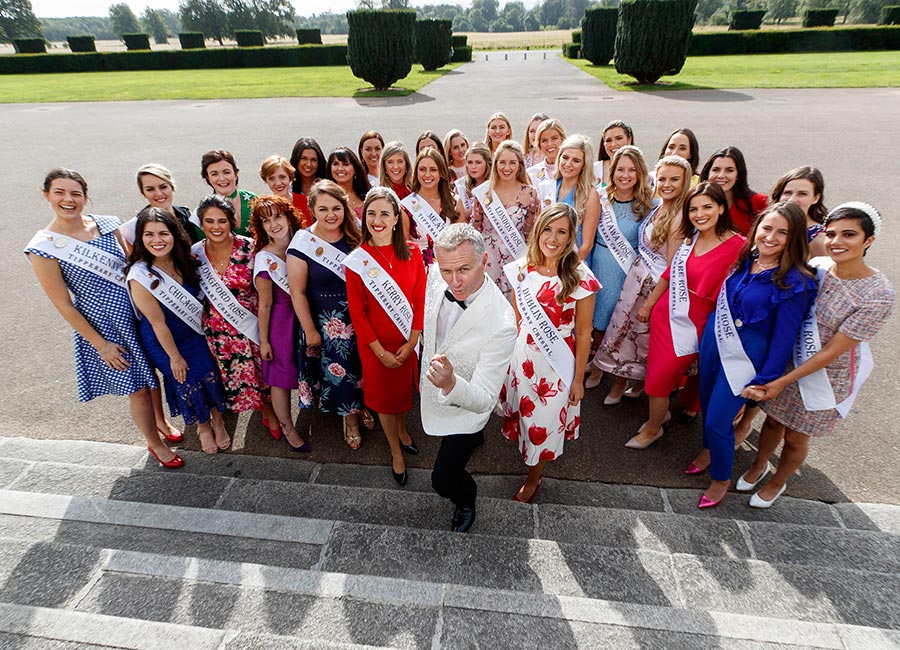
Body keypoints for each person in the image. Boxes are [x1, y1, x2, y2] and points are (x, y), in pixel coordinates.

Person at [25, 168, 183, 469]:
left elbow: (134, 264)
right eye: (59, 192)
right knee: (136, 388)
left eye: (75, 193)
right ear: (46, 195)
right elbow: (64, 305)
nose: (68, 199)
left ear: (85, 196)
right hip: (104, 326)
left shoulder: (108, 224)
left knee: (152, 377)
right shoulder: (43, 247)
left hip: (137, 311)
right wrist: (102, 345)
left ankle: (161, 421)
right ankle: (154, 443)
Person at [740, 203, 893, 508]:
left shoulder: (879, 294)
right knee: (771, 422)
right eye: (832, 233)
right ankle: (759, 465)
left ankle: (778, 482)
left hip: (825, 376)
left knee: (796, 436)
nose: (838, 241)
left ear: (869, 240)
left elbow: (834, 350)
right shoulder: (818, 266)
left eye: (849, 234)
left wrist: (783, 381)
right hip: (787, 362)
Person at [694, 203, 818, 508]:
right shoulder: (746, 260)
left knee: (718, 420)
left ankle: (721, 478)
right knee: (708, 406)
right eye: (767, 228)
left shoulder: (796, 282)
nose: (771, 237)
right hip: (715, 341)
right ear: (757, 229)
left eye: (782, 232)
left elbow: (784, 338)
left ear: (795, 238)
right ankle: (711, 450)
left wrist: (766, 379)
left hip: (748, 354)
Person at [629, 182, 745, 449]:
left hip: (697, 324)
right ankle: (657, 420)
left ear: (721, 207)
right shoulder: (689, 238)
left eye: (707, 207)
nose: (699, 214)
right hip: (664, 316)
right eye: (693, 209)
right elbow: (670, 275)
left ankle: (653, 427)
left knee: (659, 382)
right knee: (656, 378)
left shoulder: (739, 245)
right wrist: (648, 305)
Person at [499, 204, 601, 503]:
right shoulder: (520, 269)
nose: (552, 238)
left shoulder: (580, 276)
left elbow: (584, 333)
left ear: (570, 238)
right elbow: (518, 320)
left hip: (557, 364)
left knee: (542, 426)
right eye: (547, 229)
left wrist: (579, 379)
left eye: (562, 232)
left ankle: (534, 476)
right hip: (523, 358)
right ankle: (529, 459)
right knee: (523, 417)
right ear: (538, 230)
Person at [422, 223, 517, 532]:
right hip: (433, 388)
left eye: (464, 269)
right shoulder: (439, 276)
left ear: (485, 260)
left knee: (443, 478)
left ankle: (466, 498)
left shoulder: (502, 323)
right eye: (446, 270)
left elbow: (486, 399)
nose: (454, 281)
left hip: (467, 407)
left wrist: (450, 384)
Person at [589, 155, 693, 400]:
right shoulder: (659, 206)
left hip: (651, 285)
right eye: (663, 178)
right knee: (624, 333)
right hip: (636, 279)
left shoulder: (676, 216)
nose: (667, 184)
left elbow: (671, 268)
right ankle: (627, 382)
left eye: (674, 180)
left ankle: (626, 384)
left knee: (634, 337)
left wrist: (648, 303)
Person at [126, 208, 228, 455]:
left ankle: (218, 421)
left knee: (210, 374)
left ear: (174, 234)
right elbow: (158, 323)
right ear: (140, 239)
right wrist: (175, 357)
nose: (157, 240)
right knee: (188, 382)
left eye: (163, 233)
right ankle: (202, 427)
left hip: (195, 332)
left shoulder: (188, 261)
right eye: (149, 235)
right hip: (164, 341)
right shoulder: (140, 275)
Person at [345, 187, 426, 485]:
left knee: (403, 396)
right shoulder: (358, 261)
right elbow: (358, 313)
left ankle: (403, 431)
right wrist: (380, 352)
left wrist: (413, 339)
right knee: (384, 402)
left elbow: (419, 298)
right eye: (371, 214)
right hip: (375, 347)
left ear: (395, 218)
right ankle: (395, 451)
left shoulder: (414, 252)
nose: (377, 220)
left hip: (407, 341)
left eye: (384, 214)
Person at [287, 180, 372, 449]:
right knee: (342, 373)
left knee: (364, 368)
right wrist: (310, 329)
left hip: (360, 316)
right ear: (312, 208)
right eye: (323, 209)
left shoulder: (355, 235)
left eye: (337, 207)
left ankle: (363, 405)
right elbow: (297, 292)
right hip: (327, 323)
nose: (331, 215)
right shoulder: (302, 243)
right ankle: (350, 420)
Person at [192, 195, 279, 442]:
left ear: (231, 221)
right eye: (210, 221)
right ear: (201, 223)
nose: (216, 226)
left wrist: (265, 335)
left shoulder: (250, 247)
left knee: (263, 373)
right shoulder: (195, 254)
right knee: (240, 377)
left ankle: (271, 409)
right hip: (218, 331)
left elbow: (265, 295)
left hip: (251, 324)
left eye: (222, 220)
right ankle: (262, 410)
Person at [250, 195, 311, 452]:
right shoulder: (265, 259)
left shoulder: (304, 241)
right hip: (282, 324)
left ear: (288, 217)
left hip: (306, 315)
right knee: (280, 378)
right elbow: (264, 304)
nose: (273, 224)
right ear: (261, 227)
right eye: (266, 221)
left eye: (277, 216)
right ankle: (287, 426)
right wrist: (264, 340)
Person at [590, 145, 656, 339]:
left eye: (631, 169)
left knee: (623, 324)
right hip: (601, 268)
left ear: (640, 172)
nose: (625, 175)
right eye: (620, 169)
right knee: (599, 321)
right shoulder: (599, 198)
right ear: (613, 171)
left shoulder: (650, 204)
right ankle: (595, 365)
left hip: (630, 271)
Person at [471, 140, 540, 298]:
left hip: (516, 256)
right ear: (496, 164)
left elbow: (532, 233)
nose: (506, 168)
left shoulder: (530, 194)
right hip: (488, 258)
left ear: (520, 165)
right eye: (502, 162)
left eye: (512, 163)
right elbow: (475, 229)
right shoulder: (484, 193)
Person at [544, 134, 600, 263]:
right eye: (565, 157)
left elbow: (587, 245)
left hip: (573, 263)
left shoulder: (590, 195)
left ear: (584, 165)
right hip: (547, 258)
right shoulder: (548, 187)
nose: (568, 164)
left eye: (576, 160)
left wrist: (568, 269)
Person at [404, 147, 460, 267]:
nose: (427, 175)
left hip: (451, 269)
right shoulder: (406, 206)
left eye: (433, 170)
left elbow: (462, 242)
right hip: (420, 270)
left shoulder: (454, 202)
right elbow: (405, 248)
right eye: (422, 169)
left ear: (441, 172)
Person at [121, 163, 199, 246]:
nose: (158, 193)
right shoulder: (132, 227)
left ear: (172, 187)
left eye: (163, 187)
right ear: (143, 193)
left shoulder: (186, 214)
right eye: (150, 189)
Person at [700, 146, 767, 235]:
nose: (721, 175)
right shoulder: (695, 202)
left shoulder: (758, 203)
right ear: (708, 174)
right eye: (716, 170)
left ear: (738, 175)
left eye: (729, 170)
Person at [770, 166, 828, 258]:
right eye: (787, 193)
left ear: (816, 198)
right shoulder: (767, 227)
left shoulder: (819, 239)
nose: (792, 199)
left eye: (802, 194)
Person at [199, 149, 255, 236]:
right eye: (214, 174)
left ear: (236, 174)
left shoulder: (253, 200)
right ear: (208, 178)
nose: (222, 178)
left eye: (226, 172)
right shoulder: (203, 209)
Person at [258, 155, 309, 228]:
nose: (278, 183)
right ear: (266, 181)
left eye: (282, 177)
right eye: (271, 179)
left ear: (290, 177)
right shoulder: (264, 208)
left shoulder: (304, 200)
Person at [326, 147, 370, 220]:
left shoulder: (368, 194)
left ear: (355, 169)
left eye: (345, 164)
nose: (340, 169)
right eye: (335, 164)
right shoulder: (325, 197)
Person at [289, 137, 327, 222]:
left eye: (313, 160)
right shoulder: (288, 189)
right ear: (296, 159)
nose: (308, 164)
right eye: (304, 158)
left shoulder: (328, 186)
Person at [454, 142, 492, 223]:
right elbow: (456, 216)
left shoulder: (495, 185)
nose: (473, 167)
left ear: (487, 163)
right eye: (470, 162)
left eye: (478, 162)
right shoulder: (460, 186)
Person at [527, 118, 567, 187]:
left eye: (554, 138)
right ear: (539, 145)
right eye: (544, 140)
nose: (549, 144)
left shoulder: (572, 168)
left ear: (562, 139)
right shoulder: (531, 173)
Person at [595, 120, 634, 187]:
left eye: (619, 138)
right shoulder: (594, 169)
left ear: (629, 140)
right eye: (608, 140)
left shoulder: (639, 168)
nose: (613, 144)